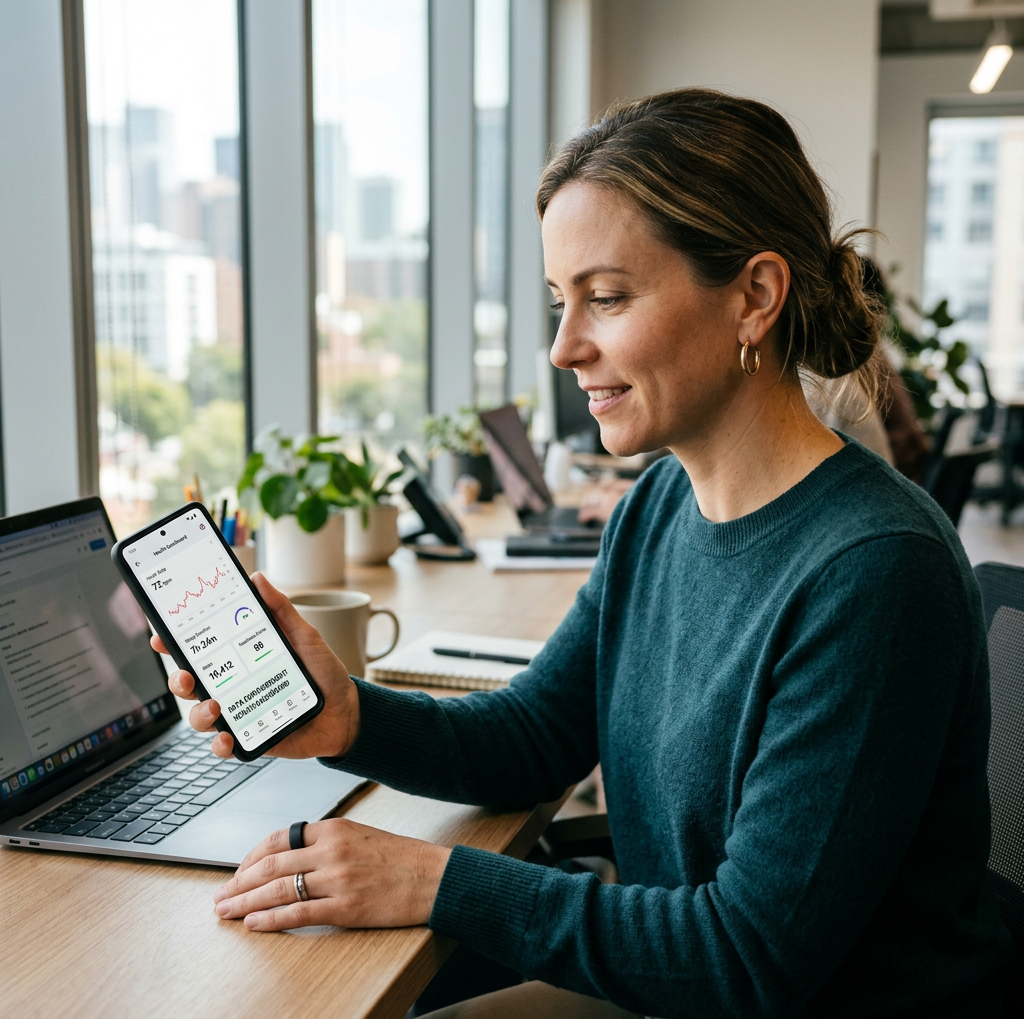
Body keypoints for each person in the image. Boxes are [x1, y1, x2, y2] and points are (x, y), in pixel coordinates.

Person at [156, 89, 1012, 1017]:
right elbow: (534, 738)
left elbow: (749, 955)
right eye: (562, 301)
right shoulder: (661, 505)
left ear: (755, 296)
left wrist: (435, 882)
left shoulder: (875, 571)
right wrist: (349, 717)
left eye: (606, 298)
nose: (563, 347)